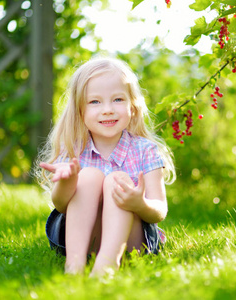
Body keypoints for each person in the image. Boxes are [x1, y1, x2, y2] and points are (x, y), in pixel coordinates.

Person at [35, 57, 175, 276]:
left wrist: (140, 204)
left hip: (132, 242)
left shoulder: (145, 150)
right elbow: (60, 205)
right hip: (82, 239)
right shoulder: (73, 151)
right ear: (79, 111)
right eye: (95, 102)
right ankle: (74, 265)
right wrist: (68, 184)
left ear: (133, 107)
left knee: (117, 180)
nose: (108, 110)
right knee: (89, 176)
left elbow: (160, 211)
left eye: (118, 99)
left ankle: (107, 265)